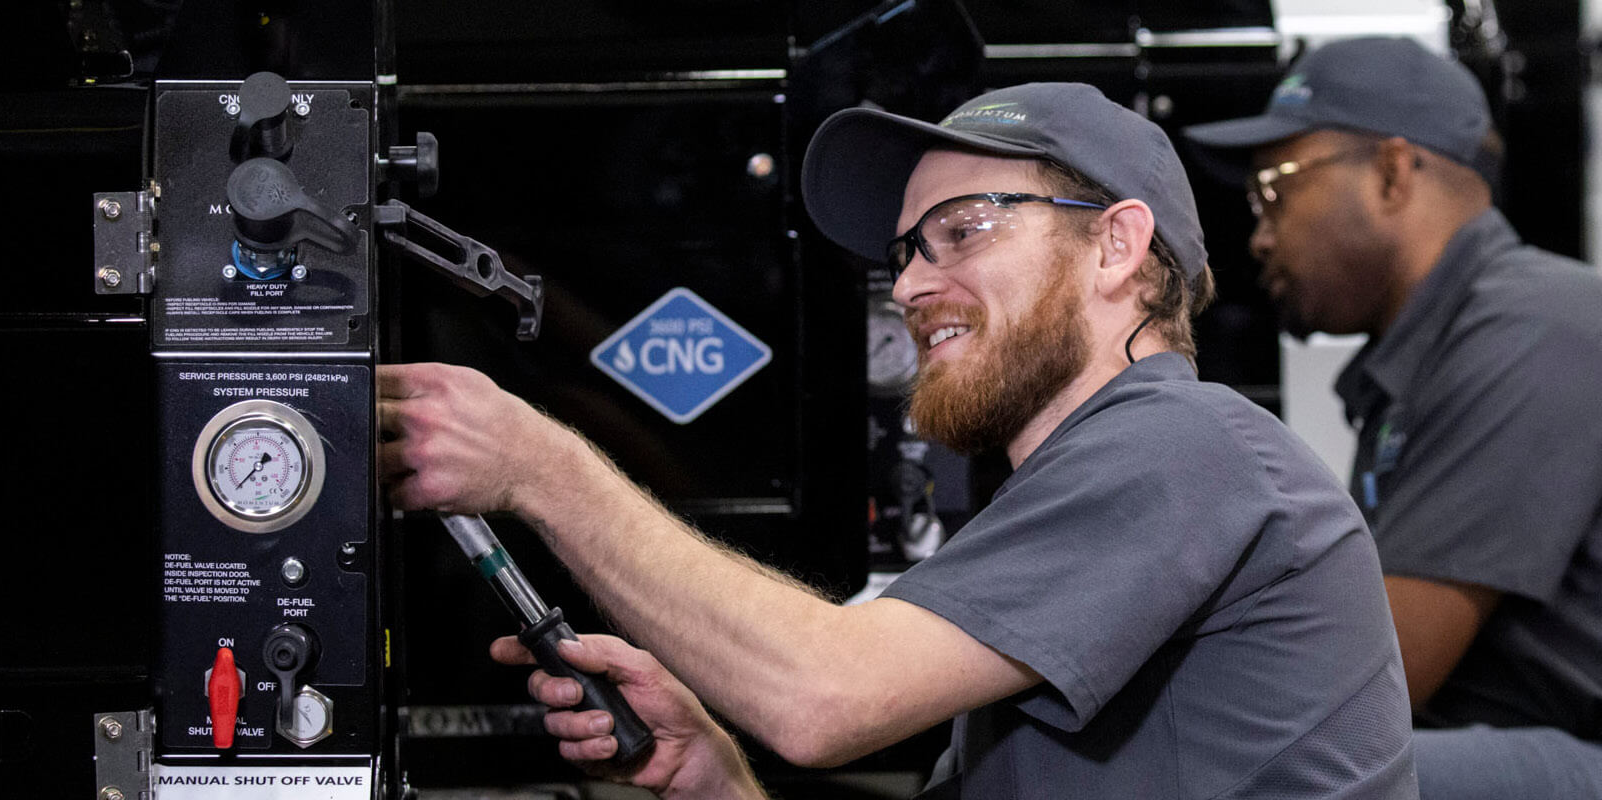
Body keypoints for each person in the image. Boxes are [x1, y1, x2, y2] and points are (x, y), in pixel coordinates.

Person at [380, 81, 1419, 799]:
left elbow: (823, 694)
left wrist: (540, 462)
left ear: (1117, 244)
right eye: (907, 249)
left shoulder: (1187, 446)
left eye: (966, 227)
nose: (915, 283)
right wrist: (716, 773)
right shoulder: (1059, 511)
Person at [1182, 37, 1602, 800]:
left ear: (1393, 173)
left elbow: (1373, 671)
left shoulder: (1535, 332)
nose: (1260, 233)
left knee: (1289, 774)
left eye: (1276, 190)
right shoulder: (1438, 348)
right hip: (1580, 752)